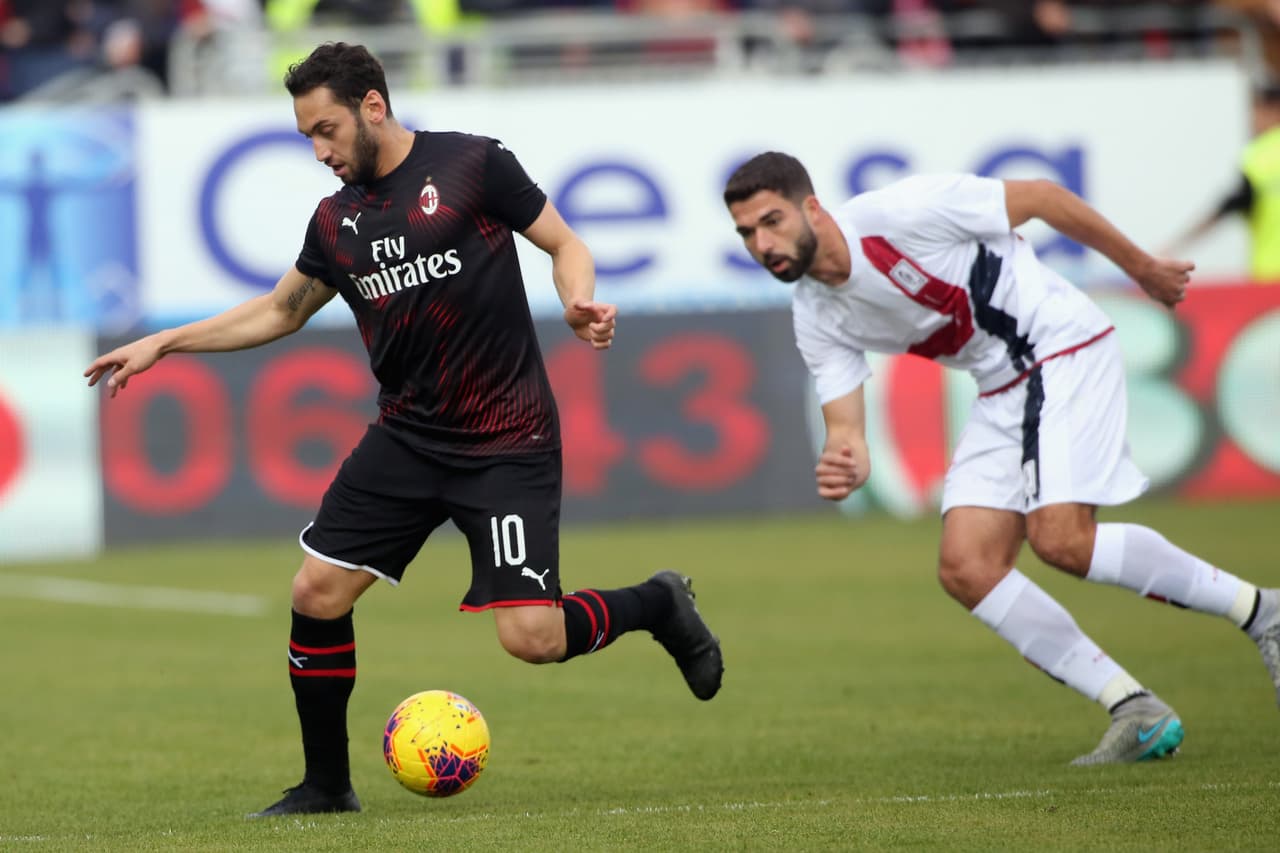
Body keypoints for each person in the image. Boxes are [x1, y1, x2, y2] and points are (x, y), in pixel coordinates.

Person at [85, 41, 723, 816]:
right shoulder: (336, 220)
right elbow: (279, 311)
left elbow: (565, 243)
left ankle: (656, 603)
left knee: (533, 638)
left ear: (373, 106)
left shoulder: (473, 166)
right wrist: (165, 341)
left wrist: (582, 301)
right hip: (408, 437)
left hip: (504, 438)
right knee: (316, 590)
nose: (318, 151)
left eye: (326, 130)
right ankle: (325, 786)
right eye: (306, 137)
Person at [722, 151, 1279, 765]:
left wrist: (1141, 268)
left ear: (812, 208)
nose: (761, 242)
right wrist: (847, 458)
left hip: (1060, 344)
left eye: (771, 221)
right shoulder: (815, 312)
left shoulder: (897, 214)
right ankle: (1135, 708)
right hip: (1001, 388)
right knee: (967, 567)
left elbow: (1042, 197)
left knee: (1063, 541)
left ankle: (1260, 611)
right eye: (747, 232)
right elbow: (846, 429)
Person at [1167, 81, 1280, 282]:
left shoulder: (1260, 156)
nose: (1253, 120)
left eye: (1257, 111)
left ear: (1272, 110)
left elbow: (1227, 206)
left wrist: (1176, 245)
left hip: (1271, 275)